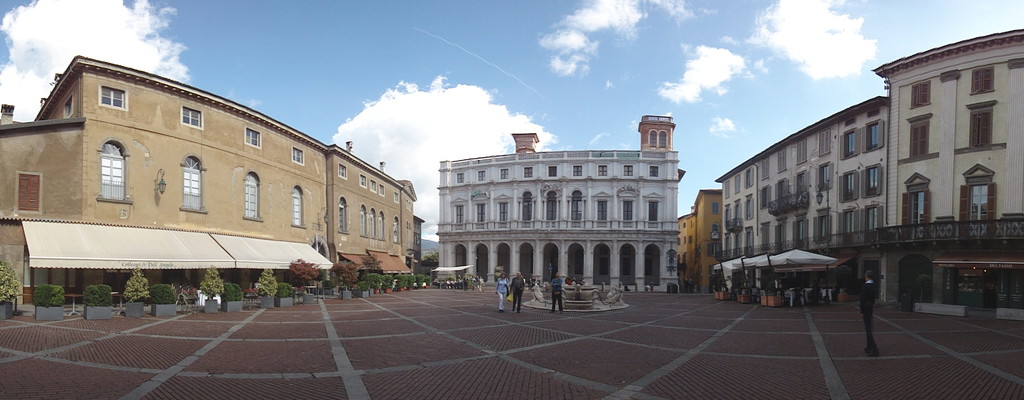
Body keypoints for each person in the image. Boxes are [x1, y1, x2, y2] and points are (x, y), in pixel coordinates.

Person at [860, 269, 879, 357]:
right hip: (870, 307)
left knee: (868, 329)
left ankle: (874, 349)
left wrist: (861, 310)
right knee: (868, 327)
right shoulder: (874, 285)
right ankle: (868, 346)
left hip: (866, 308)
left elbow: (862, 299)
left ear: (866, 276)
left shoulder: (866, 286)